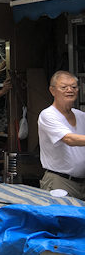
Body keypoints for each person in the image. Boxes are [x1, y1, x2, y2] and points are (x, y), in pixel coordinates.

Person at [38, 70, 85, 200]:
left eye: (74, 87)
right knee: (61, 218)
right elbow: (69, 139)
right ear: (52, 91)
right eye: (64, 87)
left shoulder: (81, 116)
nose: (70, 90)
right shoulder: (48, 115)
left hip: (82, 182)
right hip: (60, 182)